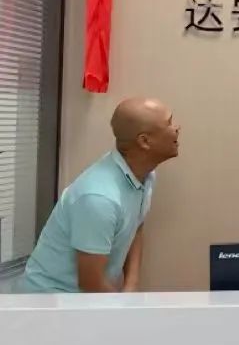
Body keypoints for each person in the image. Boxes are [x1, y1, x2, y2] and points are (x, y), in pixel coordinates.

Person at [17, 97, 179, 294]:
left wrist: (131, 288)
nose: (177, 129)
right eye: (169, 123)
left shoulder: (144, 174)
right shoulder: (99, 198)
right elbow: (91, 284)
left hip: (89, 299)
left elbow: (135, 226)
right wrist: (123, 307)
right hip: (50, 301)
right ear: (144, 141)